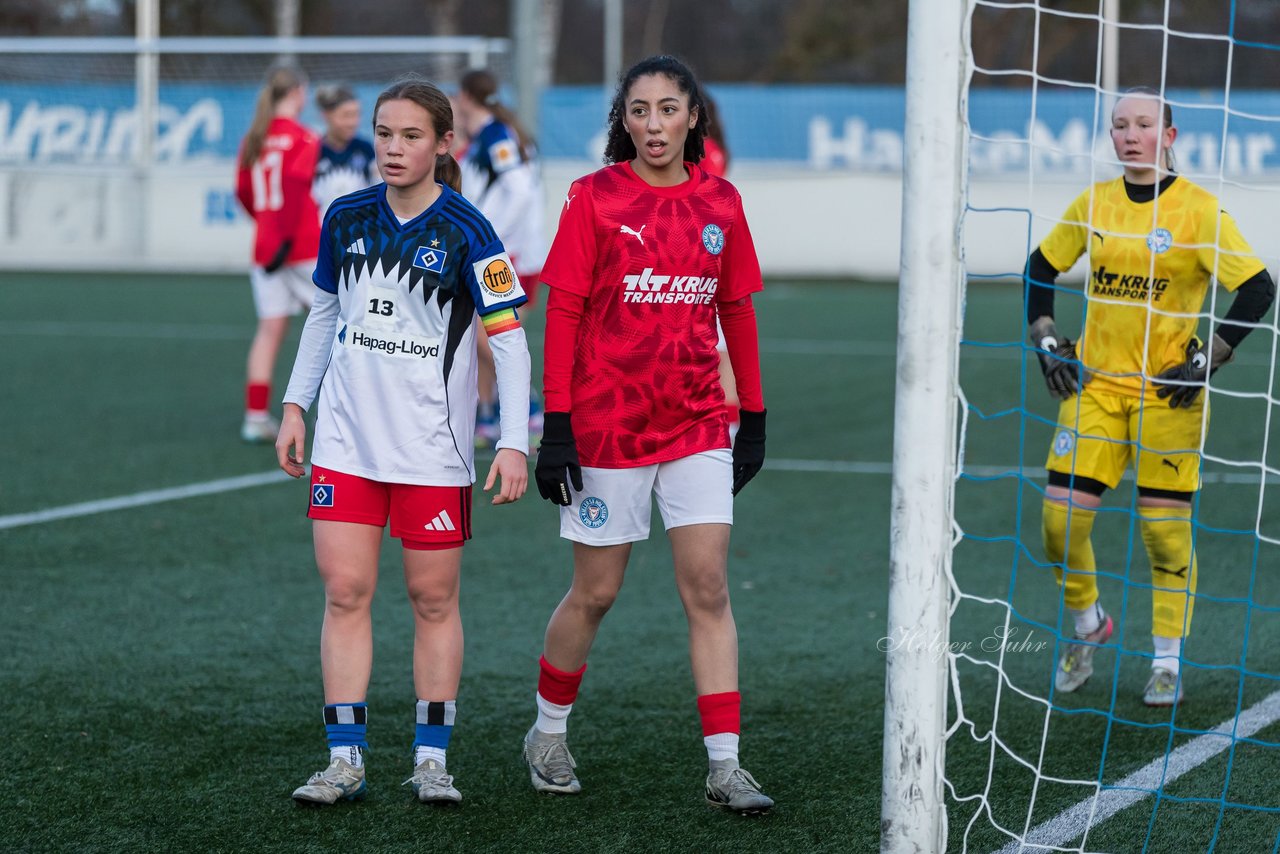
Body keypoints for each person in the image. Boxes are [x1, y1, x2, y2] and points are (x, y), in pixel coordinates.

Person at [523, 55, 773, 814]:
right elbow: (561, 311)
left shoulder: (722, 203)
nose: (654, 125)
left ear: (693, 115)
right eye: (639, 111)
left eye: (668, 109)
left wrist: (752, 415)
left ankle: (726, 766)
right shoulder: (594, 199)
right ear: (622, 120)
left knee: (708, 586)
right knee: (596, 593)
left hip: (699, 420)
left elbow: (737, 312)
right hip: (605, 426)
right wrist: (556, 426)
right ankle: (548, 732)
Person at [276, 75, 531, 806]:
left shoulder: (471, 230)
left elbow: (508, 344)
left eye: (411, 135)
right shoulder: (345, 216)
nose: (393, 147)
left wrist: (511, 441)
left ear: (444, 143)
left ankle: (431, 759)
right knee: (346, 591)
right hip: (346, 445)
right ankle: (345, 759)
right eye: (384, 133)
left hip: (430, 452)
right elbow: (323, 316)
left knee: (431, 600)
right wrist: (296, 406)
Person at [1026, 86, 1275, 707]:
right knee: (1059, 524)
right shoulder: (1096, 202)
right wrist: (1047, 338)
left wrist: (1208, 359)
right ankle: (1089, 624)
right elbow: (1039, 266)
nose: (1129, 134)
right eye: (1118, 125)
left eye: (1143, 124)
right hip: (1097, 388)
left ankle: (1166, 661)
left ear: (1168, 136)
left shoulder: (1199, 211)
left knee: (1164, 535)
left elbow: (1258, 287)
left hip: (1170, 397)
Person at [453, 69, 548, 449]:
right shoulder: (486, 137)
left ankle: (531, 408)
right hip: (503, 253)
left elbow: (521, 192)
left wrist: (493, 238)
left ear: (464, 97)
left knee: (487, 338)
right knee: (479, 336)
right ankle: (488, 415)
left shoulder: (496, 137)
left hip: (511, 257)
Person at [235, 66, 322, 444]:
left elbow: (243, 192)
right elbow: (299, 190)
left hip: (266, 247)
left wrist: (269, 226)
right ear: (299, 93)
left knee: (269, 331)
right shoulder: (305, 138)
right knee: (342, 326)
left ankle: (255, 416)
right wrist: (288, 235)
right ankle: (347, 416)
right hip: (302, 246)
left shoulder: (253, 138)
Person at [699, 92, 741, 438]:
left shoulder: (705, 152)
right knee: (720, 347)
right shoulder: (715, 148)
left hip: (707, 257)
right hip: (714, 253)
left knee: (719, 347)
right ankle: (728, 423)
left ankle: (728, 426)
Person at [312, 84, 380, 219]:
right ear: (326, 116)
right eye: (346, 115)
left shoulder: (366, 149)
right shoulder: (313, 151)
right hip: (320, 232)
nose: (352, 122)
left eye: (356, 115)